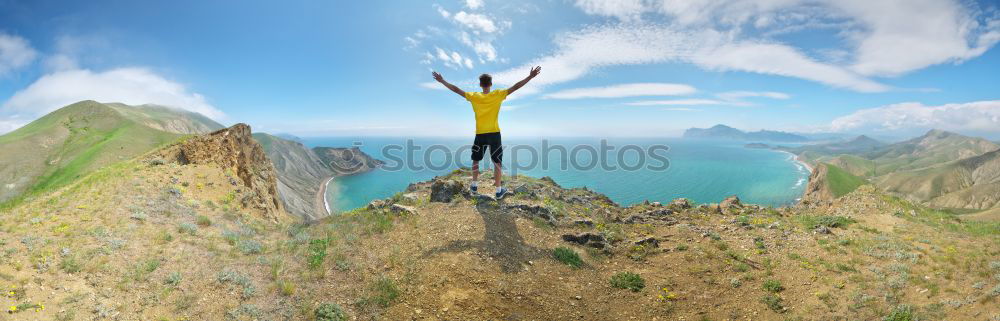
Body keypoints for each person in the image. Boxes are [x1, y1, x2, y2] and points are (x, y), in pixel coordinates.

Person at [432, 66, 541, 199]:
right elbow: (516, 87)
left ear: (480, 84)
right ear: (491, 84)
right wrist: (530, 77)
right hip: (494, 134)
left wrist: (442, 81)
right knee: (497, 162)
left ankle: (474, 185)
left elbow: (456, 89)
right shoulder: (497, 94)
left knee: (476, 159)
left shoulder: (474, 96)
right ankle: (498, 190)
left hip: (480, 134)